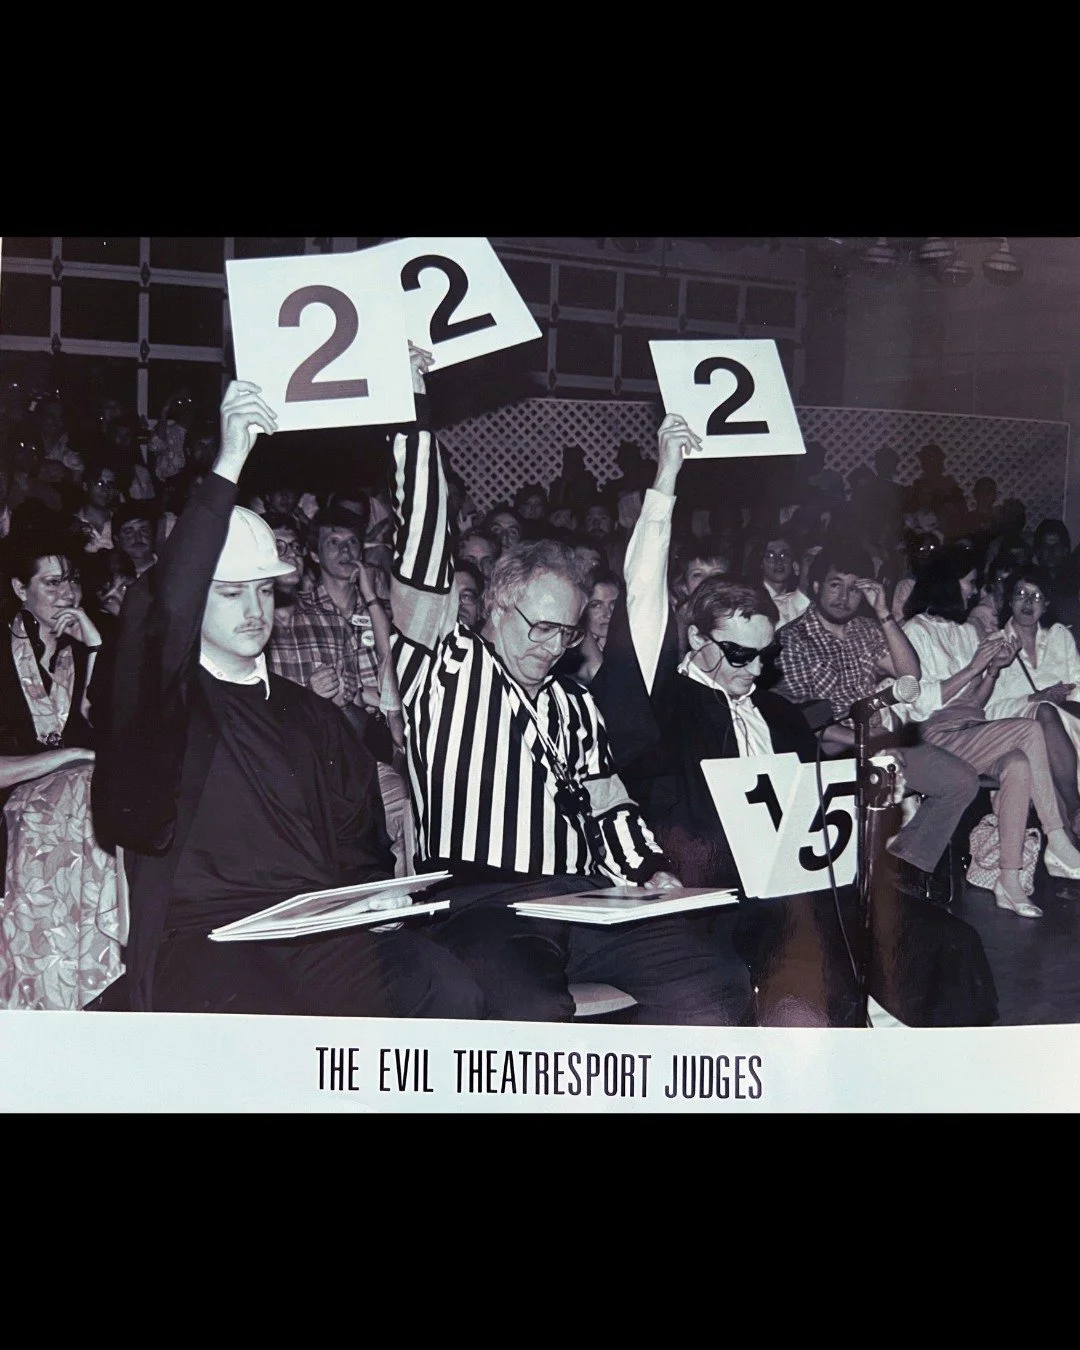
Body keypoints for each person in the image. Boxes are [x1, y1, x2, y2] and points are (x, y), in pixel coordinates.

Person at [90, 380, 483, 1019]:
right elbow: (159, 613)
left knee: (446, 986)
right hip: (207, 941)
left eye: (264, 592)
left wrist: (375, 898)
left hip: (313, 929)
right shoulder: (162, 706)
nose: (254, 611)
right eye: (229, 594)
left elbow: (361, 848)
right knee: (264, 1025)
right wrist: (228, 464)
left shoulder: (316, 718)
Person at [388, 345, 751, 1025]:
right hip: (484, 903)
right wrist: (416, 414)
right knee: (529, 1008)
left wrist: (647, 871)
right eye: (539, 627)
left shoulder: (573, 704)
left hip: (584, 901)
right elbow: (421, 555)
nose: (552, 646)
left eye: (566, 633)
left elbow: (608, 805)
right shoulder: (444, 666)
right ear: (496, 604)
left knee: (719, 979)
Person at [774, 539, 982, 902]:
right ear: (818, 586)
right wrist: (870, 743)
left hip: (879, 741)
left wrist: (884, 614)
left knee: (961, 781)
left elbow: (910, 677)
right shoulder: (793, 638)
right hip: (828, 747)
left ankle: (905, 868)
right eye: (836, 584)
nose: (845, 597)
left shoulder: (865, 631)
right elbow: (802, 719)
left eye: (856, 589)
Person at [902, 549, 1080, 919]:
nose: (975, 591)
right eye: (969, 582)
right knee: (1031, 728)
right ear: (948, 584)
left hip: (972, 727)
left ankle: (1009, 880)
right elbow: (923, 706)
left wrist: (994, 670)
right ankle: (1058, 837)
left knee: (1017, 764)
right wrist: (976, 668)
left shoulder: (967, 632)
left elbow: (978, 703)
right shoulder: (914, 632)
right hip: (936, 733)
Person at [0, 531, 123, 1010]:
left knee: (92, 789)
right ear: (18, 589)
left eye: (71, 581)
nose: (66, 594)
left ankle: (89, 983)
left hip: (78, 797)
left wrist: (95, 645)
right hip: (20, 803)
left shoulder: (88, 644)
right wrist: (63, 758)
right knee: (83, 786)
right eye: (50, 584)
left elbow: (110, 729)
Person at [267, 503, 412, 876]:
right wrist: (308, 696)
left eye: (294, 548)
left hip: (343, 762)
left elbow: (360, 706)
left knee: (403, 806)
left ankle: (402, 908)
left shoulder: (330, 622)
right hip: (283, 770)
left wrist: (349, 696)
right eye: (278, 549)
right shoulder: (249, 631)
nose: (291, 558)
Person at [985, 565, 1080, 839]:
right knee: (1044, 714)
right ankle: (1076, 810)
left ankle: (1067, 851)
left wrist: (1066, 692)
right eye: (1021, 594)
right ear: (1010, 600)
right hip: (1016, 731)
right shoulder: (994, 644)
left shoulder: (1059, 636)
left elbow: (1078, 683)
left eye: (1036, 596)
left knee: (1051, 719)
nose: (1028, 602)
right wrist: (1035, 699)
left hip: (1068, 727)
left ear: (1047, 604)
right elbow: (988, 709)